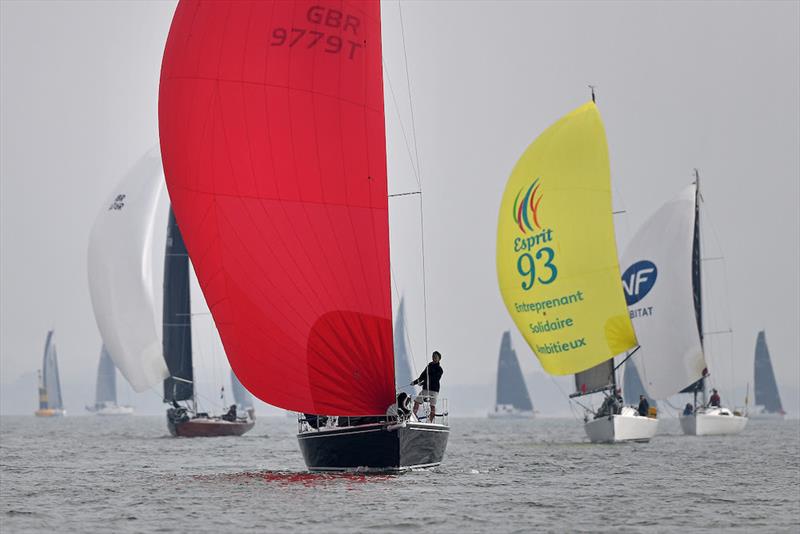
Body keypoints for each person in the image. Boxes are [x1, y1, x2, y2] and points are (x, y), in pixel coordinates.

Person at [412, 351, 443, 422]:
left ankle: (430, 421)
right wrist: (415, 382)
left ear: (439, 358)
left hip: (434, 390)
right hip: (426, 389)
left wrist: (423, 383)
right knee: (417, 401)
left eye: (436, 356)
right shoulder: (428, 366)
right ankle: (413, 417)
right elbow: (422, 376)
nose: (434, 357)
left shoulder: (440, 369)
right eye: (433, 356)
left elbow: (435, 379)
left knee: (432, 406)